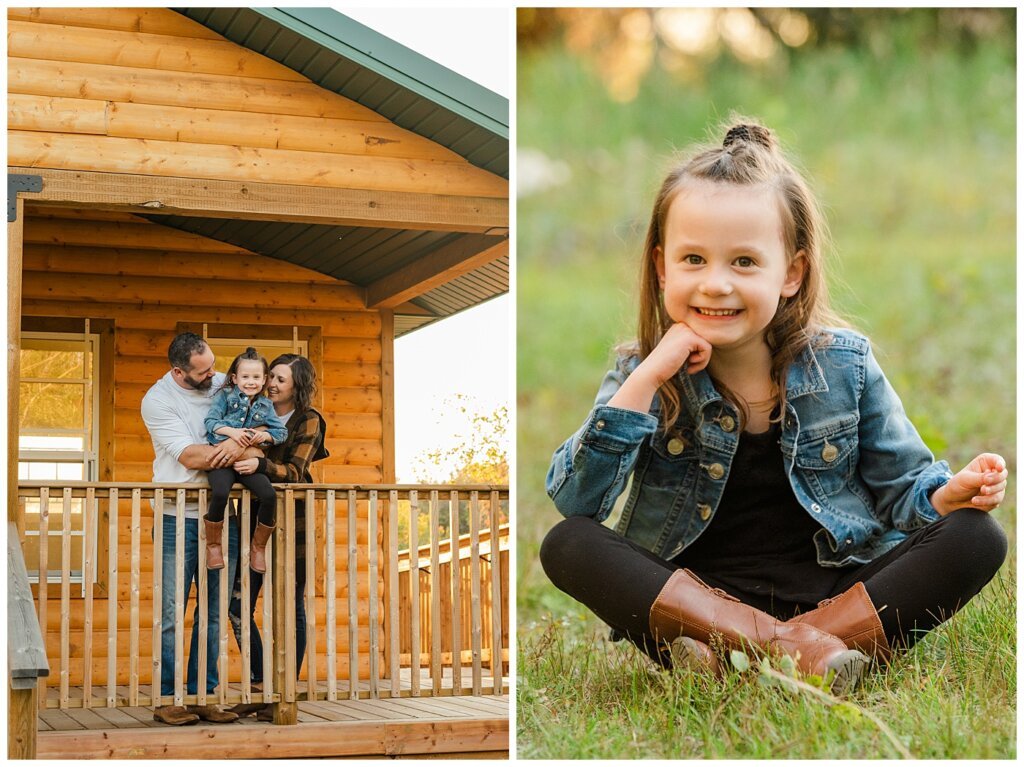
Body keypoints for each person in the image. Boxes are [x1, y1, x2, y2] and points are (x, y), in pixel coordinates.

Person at [540, 120, 1008, 694]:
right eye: (693, 260)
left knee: (977, 537)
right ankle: (796, 654)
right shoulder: (640, 373)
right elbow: (576, 501)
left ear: (791, 273)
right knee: (568, 546)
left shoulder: (844, 367)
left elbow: (900, 492)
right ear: (661, 267)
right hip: (698, 603)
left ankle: (760, 656)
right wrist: (648, 376)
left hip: (840, 592)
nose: (715, 284)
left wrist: (947, 495)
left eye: (743, 262)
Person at [141, 332, 259, 725]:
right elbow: (190, 455)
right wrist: (236, 451)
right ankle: (168, 699)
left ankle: (203, 694)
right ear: (179, 371)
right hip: (176, 517)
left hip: (220, 516)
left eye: (213, 365)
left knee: (213, 611)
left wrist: (246, 448)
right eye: (204, 371)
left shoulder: (224, 383)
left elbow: (262, 439)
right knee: (171, 611)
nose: (214, 375)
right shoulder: (158, 400)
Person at [225, 354, 328, 719]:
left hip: (292, 527)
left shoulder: (309, 420)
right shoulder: (253, 408)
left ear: (297, 386)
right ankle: (260, 684)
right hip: (252, 522)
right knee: (237, 606)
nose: (271, 383)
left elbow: (296, 472)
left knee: (290, 608)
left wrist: (260, 465)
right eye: (271, 377)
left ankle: (283, 693)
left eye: (281, 380)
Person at [203, 347, 288, 574]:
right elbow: (211, 423)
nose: (251, 382)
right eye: (245, 377)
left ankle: (258, 547)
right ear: (234, 378)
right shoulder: (225, 397)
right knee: (220, 492)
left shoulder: (266, 405)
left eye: (256, 377)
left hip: (247, 464)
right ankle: (213, 545)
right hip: (224, 460)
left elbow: (281, 432)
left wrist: (265, 435)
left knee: (268, 494)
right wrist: (232, 433)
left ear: (264, 380)